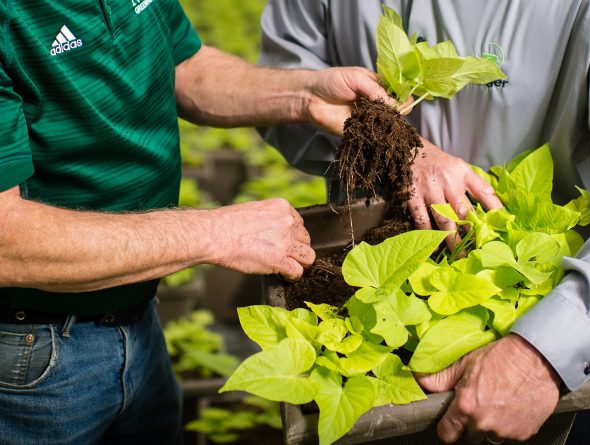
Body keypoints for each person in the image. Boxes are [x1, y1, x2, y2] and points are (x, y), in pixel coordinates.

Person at [257, 0, 590, 443]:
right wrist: (393, 147)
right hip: (371, 269)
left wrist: (547, 351)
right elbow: (285, 84)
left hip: (546, 335)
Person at [0, 0, 390, 443]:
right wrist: (215, 233)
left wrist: (307, 94)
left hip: (139, 318)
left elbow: (185, 64)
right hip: (30, 356)